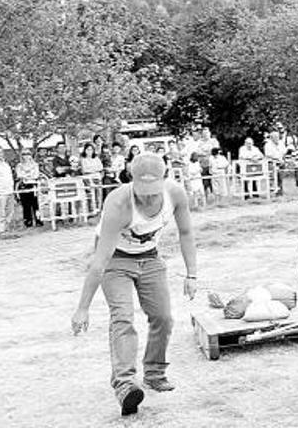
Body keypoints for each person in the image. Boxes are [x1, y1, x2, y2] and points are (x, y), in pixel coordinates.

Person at [70, 153, 198, 416]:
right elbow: (100, 261)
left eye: (153, 192)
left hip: (150, 257)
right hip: (115, 260)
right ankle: (126, 385)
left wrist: (192, 274)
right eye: (142, 191)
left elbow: (186, 233)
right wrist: (82, 307)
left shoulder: (175, 195)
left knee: (163, 317)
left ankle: (154, 373)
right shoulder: (118, 202)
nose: (148, 197)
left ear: (165, 179)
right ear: (132, 179)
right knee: (123, 318)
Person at [15, 149, 44, 227]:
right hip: (23, 186)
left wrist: (27, 176)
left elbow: (36, 175)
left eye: (28, 154)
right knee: (26, 205)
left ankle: (38, 221)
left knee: (36, 205)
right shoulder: (19, 165)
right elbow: (19, 175)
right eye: (24, 154)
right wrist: (27, 176)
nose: (26, 156)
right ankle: (28, 222)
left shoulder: (35, 165)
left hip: (33, 185)